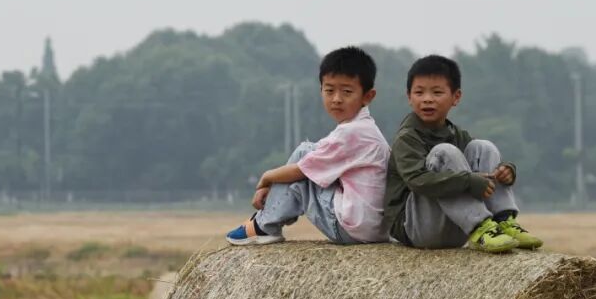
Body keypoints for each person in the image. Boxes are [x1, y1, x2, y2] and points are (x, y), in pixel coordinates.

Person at [225, 46, 391, 246]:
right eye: (329, 91)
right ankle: (272, 216)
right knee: (307, 158)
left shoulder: (352, 133)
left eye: (346, 92)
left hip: (352, 229)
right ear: (321, 90)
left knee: (303, 158)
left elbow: (301, 169)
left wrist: (266, 178)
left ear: (368, 96)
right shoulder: (365, 129)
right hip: (376, 230)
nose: (336, 99)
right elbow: (317, 155)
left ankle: (264, 224)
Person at [382, 54, 543, 252]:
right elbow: (417, 180)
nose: (427, 99)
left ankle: (503, 221)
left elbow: (483, 165)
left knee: (483, 147)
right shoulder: (407, 138)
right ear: (409, 97)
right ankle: (480, 226)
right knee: (445, 152)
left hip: (456, 227)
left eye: (437, 92)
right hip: (416, 229)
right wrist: (468, 181)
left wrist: (507, 171)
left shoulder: (454, 133)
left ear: (456, 97)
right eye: (419, 92)